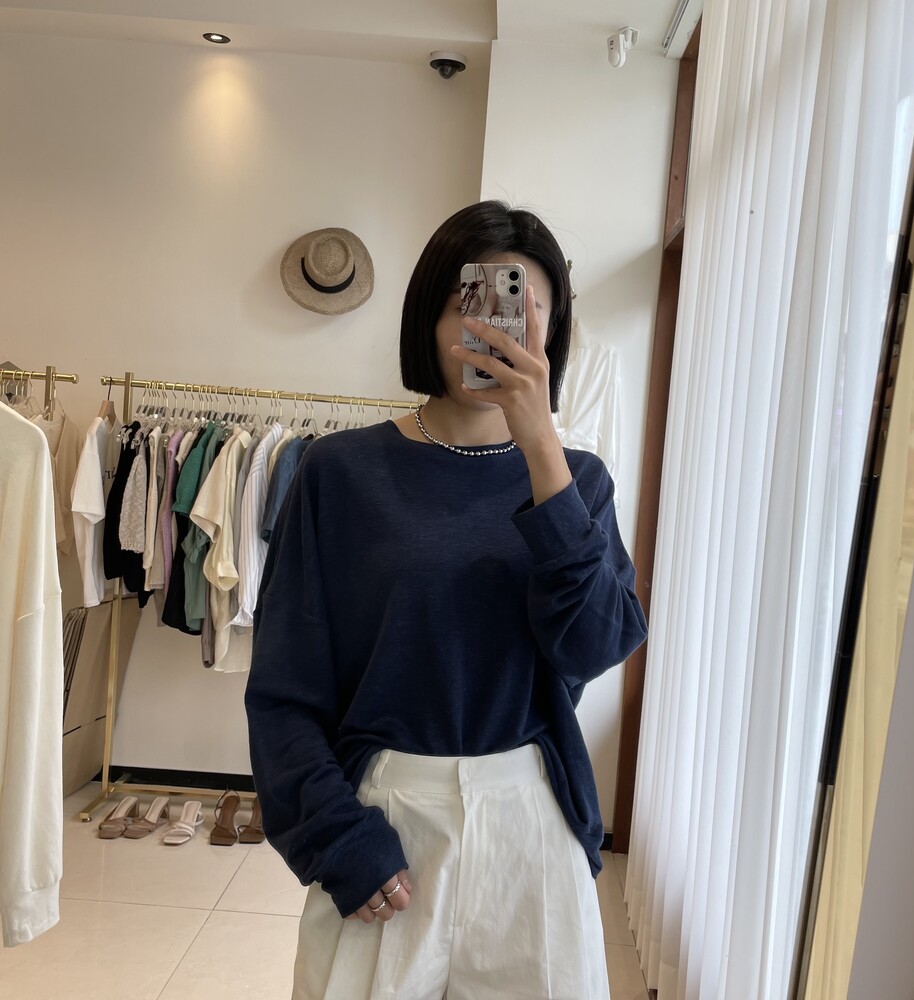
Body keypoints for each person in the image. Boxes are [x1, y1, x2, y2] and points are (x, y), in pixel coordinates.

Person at [245, 200, 648, 1000]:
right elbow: (285, 688)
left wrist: (542, 446)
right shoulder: (339, 472)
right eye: (476, 300)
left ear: (552, 333)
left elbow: (595, 645)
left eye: (525, 309)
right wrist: (334, 836)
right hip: (384, 818)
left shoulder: (578, 482)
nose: (497, 328)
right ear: (431, 314)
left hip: (533, 825)